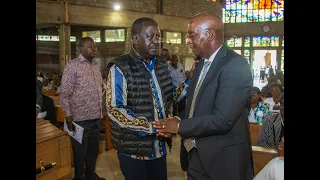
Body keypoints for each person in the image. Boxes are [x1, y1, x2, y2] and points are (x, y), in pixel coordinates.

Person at [153, 12, 254, 180]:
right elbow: (195, 106)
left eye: (192, 35)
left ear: (209, 34)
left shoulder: (235, 65)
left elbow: (223, 119)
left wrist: (179, 127)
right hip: (195, 155)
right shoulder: (201, 65)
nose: (188, 41)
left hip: (223, 161)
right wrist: (177, 119)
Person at [105, 17, 193, 180]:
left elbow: (171, 97)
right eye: (150, 36)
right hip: (133, 150)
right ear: (136, 39)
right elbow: (114, 110)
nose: (156, 41)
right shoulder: (120, 67)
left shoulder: (161, 64)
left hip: (158, 147)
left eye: (158, 37)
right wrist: (152, 127)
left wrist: (189, 81)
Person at [60, 37, 105, 180]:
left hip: (95, 118)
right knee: (80, 153)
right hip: (79, 119)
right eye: (90, 46)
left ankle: (90, 174)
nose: (94, 48)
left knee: (93, 151)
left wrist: (102, 112)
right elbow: (65, 93)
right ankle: (78, 177)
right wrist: (67, 115)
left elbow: (100, 90)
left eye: (95, 46)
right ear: (81, 49)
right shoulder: (72, 66)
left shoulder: (95, 66)